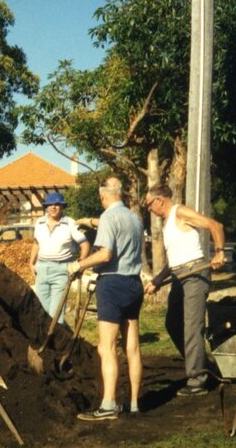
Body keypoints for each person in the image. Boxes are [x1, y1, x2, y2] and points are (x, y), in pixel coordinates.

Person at [66, 177, 144, 420]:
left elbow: (105, 254)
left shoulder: (109, 217)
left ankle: (108, 405)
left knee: (106, 347)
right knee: (132, 347)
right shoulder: (135, 218)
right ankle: (133, 404)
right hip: (134, 283)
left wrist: (78, 265)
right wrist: (89, 222)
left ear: (103, 197)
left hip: (113, 285)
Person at [142, 184, 226, 396]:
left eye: (149, 205)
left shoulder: (180, 212)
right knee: (172, 323)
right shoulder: (168, 222)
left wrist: (219, 252)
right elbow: (173, 261)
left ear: (159, 200)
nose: (149, 210)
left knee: (191, 327)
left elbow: (216, 226)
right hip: (180, 275)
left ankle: (198, 379)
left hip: (195, 274)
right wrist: (157, 281)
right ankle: (204, 366)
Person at [28, 192, 89, 325]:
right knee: (42, 311)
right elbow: (36, 243)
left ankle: (56, 343)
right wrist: (31, 262)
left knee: (56, 313)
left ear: (62, 206)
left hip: (61, 269)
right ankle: (49, 340)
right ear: (46, 207)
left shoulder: (70, 223)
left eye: (57, 204)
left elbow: (85, 245)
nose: (53, 207)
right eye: (50, 204)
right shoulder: (39, 222)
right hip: (42, 268)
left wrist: (80, 265)